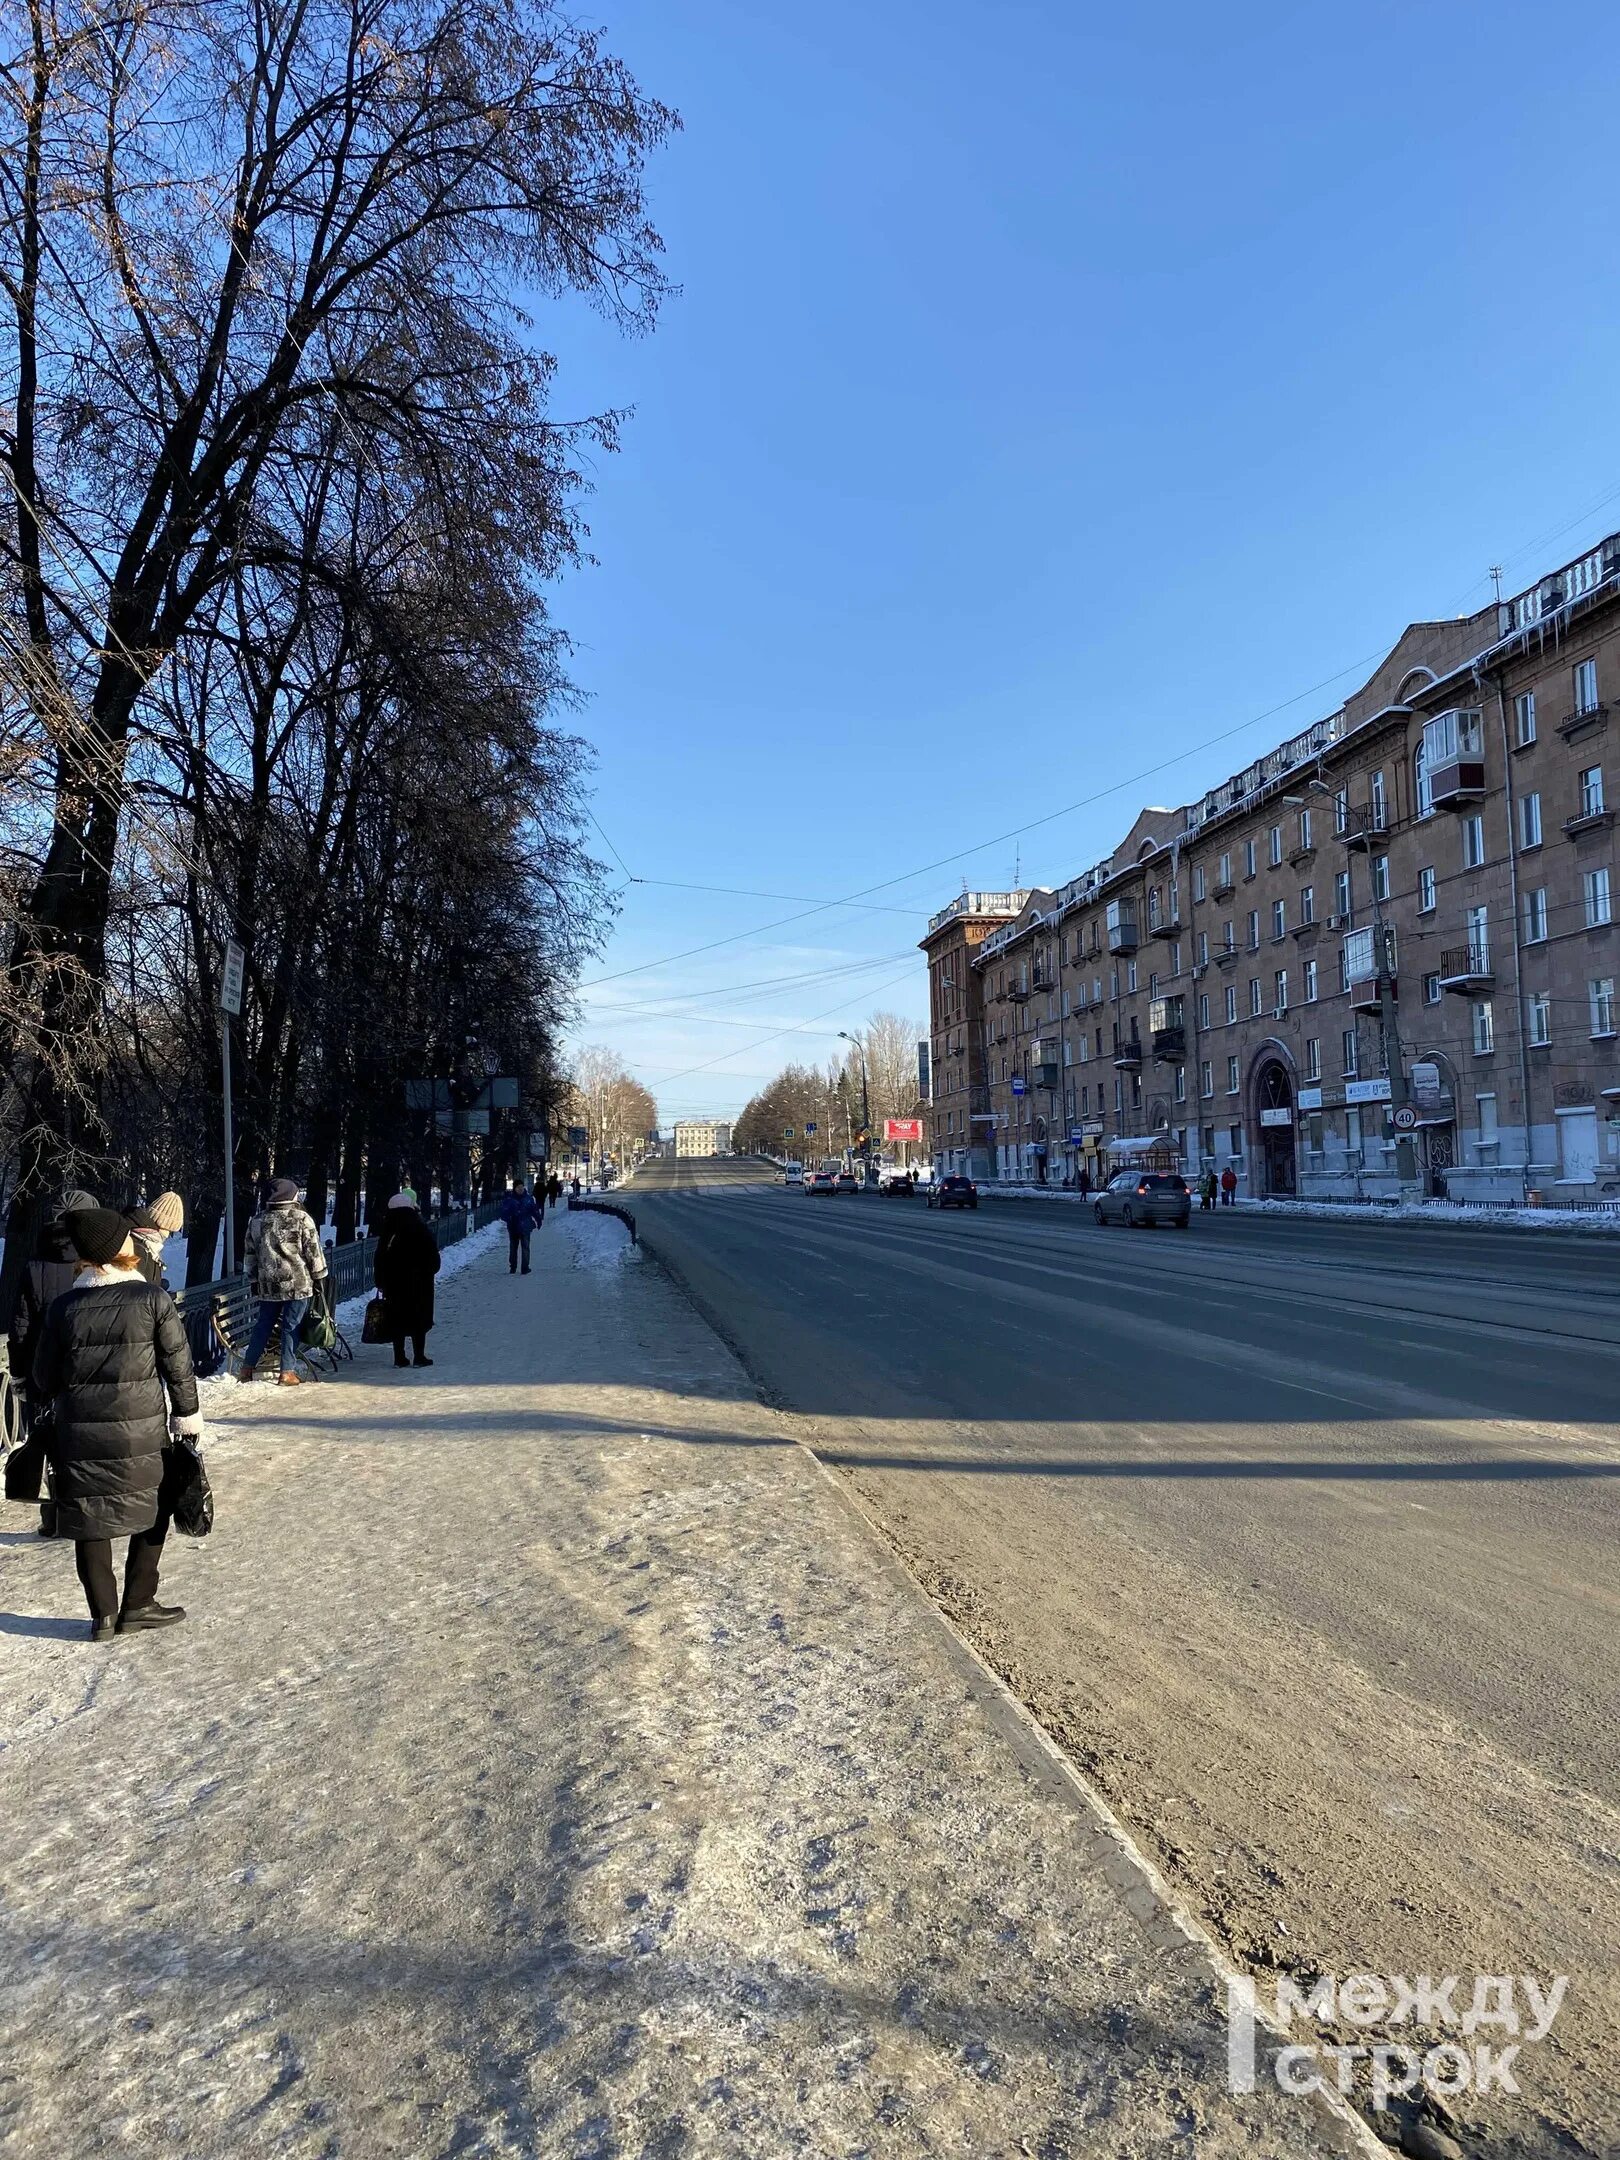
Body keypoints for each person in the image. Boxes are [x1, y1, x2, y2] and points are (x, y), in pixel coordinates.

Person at [32, 1207, 202, 1640]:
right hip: (141, 1431)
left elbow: (44, 1377)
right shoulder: (151, 1299)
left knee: (90, 1518)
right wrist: (187, 1417)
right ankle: (139, 1604)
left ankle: (103, 1616)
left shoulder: (63, 1307)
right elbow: (178, 1367)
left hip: (79, 1433)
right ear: (115, 1249)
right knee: (154, 1509)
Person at [8, 1187, 98, 1427]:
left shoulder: (35, 1265)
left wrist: (18, 1374)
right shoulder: (99, 1264)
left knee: (45, 1444)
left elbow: (20, 1326)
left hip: (42, 1374)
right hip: (92, 1375)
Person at [240, 1177, 328, 1385]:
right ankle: (286, 1371)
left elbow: (250, 1254)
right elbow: (313, 1251)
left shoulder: (257, 1221)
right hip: (297, 1283)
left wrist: (253, 1279)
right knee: (291, 1326)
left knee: (263, 1325)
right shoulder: (301, 1218)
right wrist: (319, 1276)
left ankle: (247, 1368)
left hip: (268, 1284)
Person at [373, 1192, 441, 1367]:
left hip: (394, 1284)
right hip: (420, 1283)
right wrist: (429, 1271)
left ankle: (399, 1357)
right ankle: (419, 1356)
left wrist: (380, 1281)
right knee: (419, 1317)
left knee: (397, 1318)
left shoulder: (388, 1229)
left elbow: (379, 1257)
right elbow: (432, 1255)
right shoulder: (420, 1227)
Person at [498, 1182, 542, 1274]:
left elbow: (534, 1210)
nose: (520, 1189)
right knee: (513, 1247)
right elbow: (503, 1212)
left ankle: (525, 1267)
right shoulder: (509, 1199)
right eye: (518, 1187)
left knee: (525, 1247)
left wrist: (538, 1220)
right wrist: (509, 1218)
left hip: (525, 1226)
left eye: (521, 1187)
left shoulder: (528, 1199)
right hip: (513, 1226)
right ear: (514, 1188)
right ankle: (513, 1266)